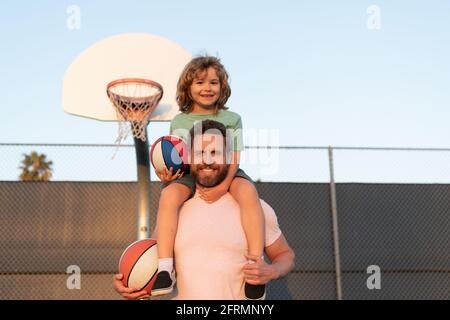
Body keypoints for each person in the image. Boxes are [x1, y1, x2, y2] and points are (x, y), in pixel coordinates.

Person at [114, 120, 295, 300]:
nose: (207, 160)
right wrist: (131, 282)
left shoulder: (256, 208)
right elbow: (149, 261)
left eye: (216, 152)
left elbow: (285, 255)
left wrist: (272, 271)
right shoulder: (174, 209)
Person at [151, 56, 267, 299]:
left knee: (248, 192)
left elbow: (233, 159)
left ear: (222, 87)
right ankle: (164, 268)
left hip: (225, 171)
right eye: (200, 83)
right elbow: (177, 158)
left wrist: (223, 186)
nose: (207, 88)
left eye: (213, 83)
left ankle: (255, 264)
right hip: (192, 173)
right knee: (169, 194)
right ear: (187, 87)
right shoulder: (180, 121)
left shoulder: (233, 119)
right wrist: (168, 177)